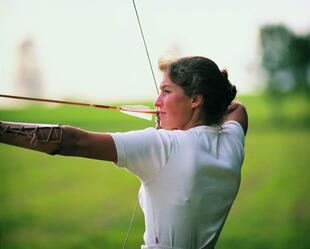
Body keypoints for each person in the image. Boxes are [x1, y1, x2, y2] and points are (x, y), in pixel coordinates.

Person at [0, 56, 248, 249]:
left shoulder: (165, 146)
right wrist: (210, 104)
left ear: (195, 99)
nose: (156, 102)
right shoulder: (230, 144)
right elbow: (238, 109)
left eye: (167, 91)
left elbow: (75, 141)